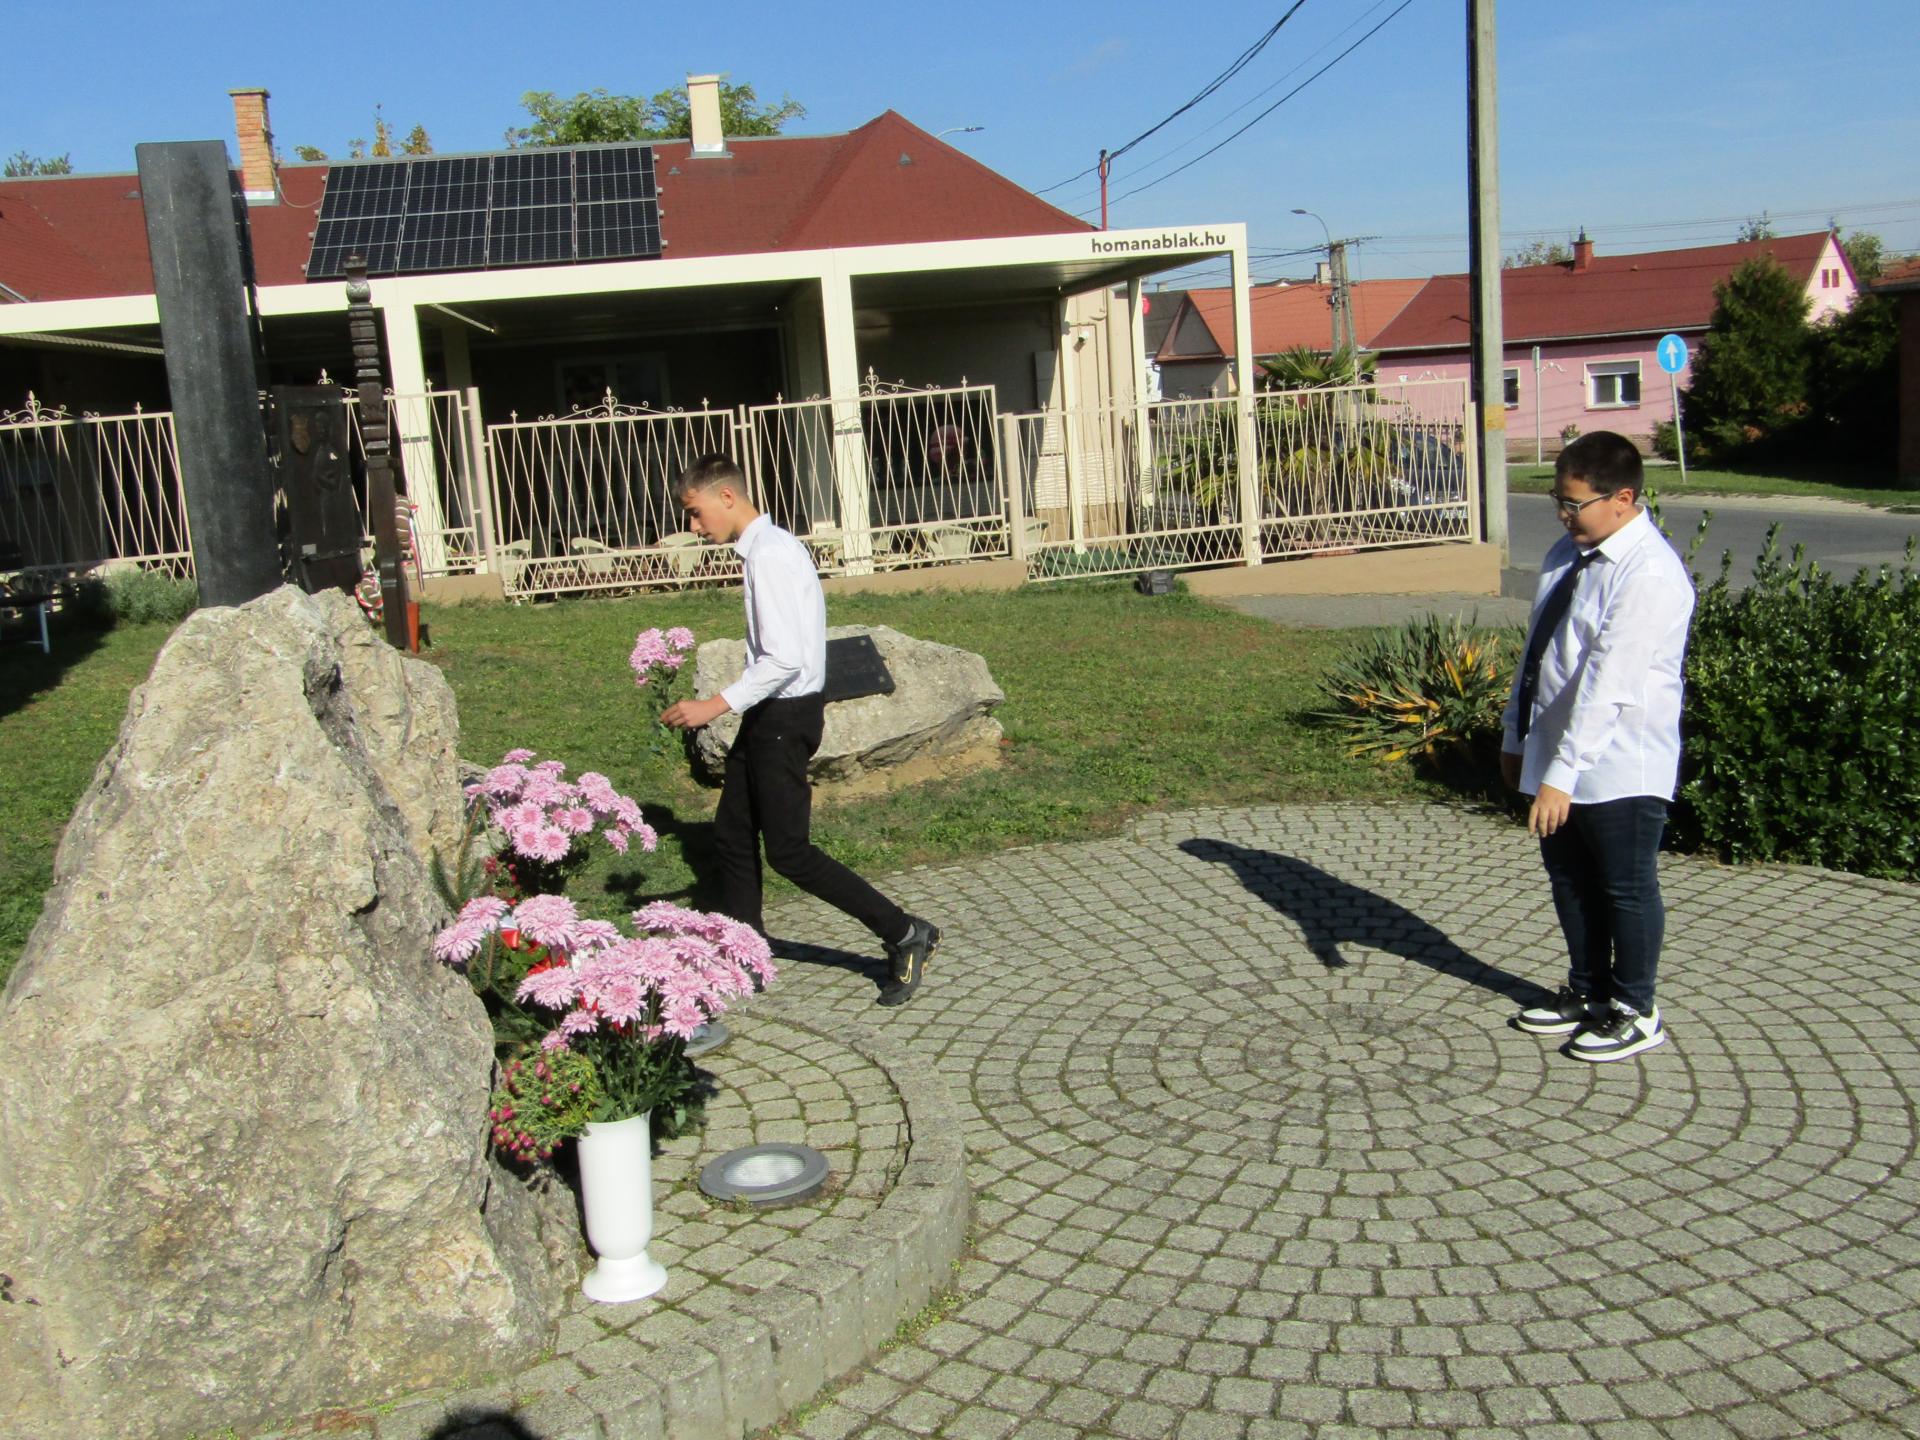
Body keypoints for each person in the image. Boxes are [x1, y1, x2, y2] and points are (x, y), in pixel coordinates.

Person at [660, 453, 939, 1007]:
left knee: (789, 852)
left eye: (695, 512)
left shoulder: (770, 555)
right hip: (771, 714)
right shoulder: (768, 548)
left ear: (727, 497)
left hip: (785, 717)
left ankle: (905, 931)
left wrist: (714, 705)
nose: (693, 526)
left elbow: (784, 659)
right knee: (732, 832)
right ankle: (746, 952)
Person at [1502, 431, 1694, 1061]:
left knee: (1624, 886)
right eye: (1558, 501)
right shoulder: (1569, 552)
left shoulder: (1648, 574)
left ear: (1623, 499)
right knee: (1569, 878)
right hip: (1556, 750)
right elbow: (1538, 652)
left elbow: (1609, 685)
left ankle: (1636, 1009)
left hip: (1618, 763)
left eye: (1574, 503)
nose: (1564, 515)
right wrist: (1515, 734)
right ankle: (1588, 991)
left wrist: (1562, 775)